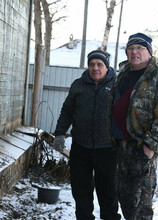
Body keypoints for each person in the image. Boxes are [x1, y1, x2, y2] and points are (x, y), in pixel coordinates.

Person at [111, 33, 158, 219]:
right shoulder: (122, 75)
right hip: (120, 147)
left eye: (139, 48)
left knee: (141, 206)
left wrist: (150, 147)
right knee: (124, 200)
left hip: (142, 148)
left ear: (149, 52)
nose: (134, 52)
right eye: (131, 49)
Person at [53, 50, 121, 220]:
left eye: (99, 64)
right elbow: (67, 111)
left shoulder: (116, 85)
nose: (95, 68)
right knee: (81, 193)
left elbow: (125, 114)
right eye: (91, 64)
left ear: (107, 67)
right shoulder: (78, 85)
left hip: (108, 149)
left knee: (108, 194)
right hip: (81, 148)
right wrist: (60, 133)